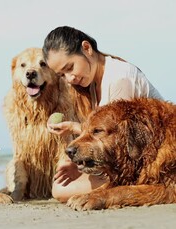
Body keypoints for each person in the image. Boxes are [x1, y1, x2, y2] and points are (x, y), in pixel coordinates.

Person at [42, 26, 163, 203]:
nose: (69, 79)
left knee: (61, 190)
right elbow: (105, 133)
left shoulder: (119, 78)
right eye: (62, 75)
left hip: (153, 161)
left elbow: (120, 145)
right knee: (62, 178)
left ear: (86, 48)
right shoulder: (91, 83)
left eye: (70, 67)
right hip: (131, 160)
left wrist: (82, 166)